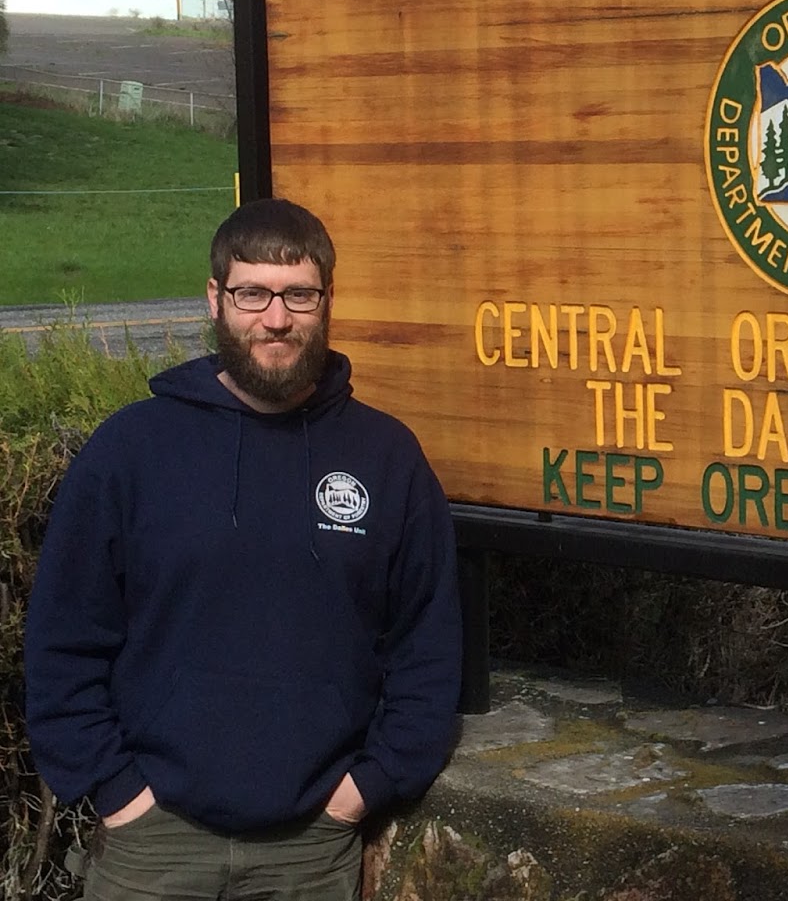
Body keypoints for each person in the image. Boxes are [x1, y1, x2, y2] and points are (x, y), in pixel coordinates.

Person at [25, 198, 462, 900]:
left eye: (298, 295)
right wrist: (115, 790)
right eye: (252, 293)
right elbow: (62, 641)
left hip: (311, 847)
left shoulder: (386, 458)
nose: (276, 318)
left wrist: (367, 788)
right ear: (215, 298)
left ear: (327, 299)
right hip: (151, 843)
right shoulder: (131, 451)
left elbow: (427, 648)